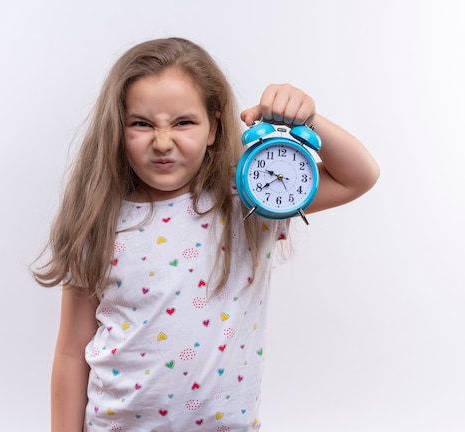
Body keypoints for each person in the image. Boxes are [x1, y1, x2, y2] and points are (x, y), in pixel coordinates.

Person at [33, 37, 379, 431]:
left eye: (183, 122)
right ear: (119, 127)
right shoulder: (99, 221)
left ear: (213, 126)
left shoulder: (248, 201)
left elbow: (359, 177)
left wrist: (308, 121)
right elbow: (71, 353)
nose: (162, 142)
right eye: (141, 123)